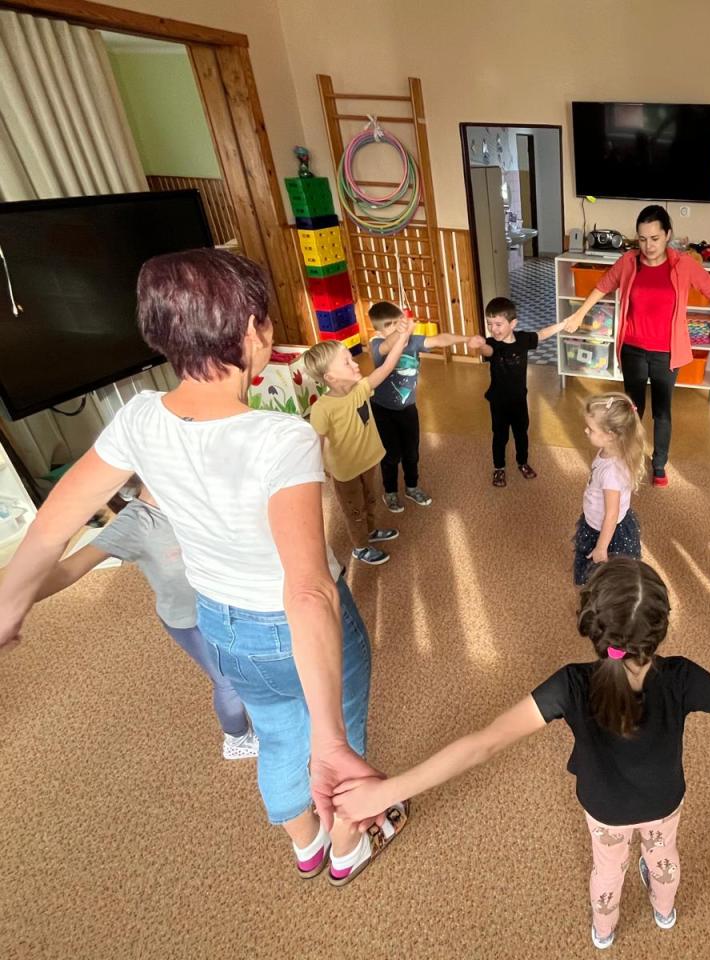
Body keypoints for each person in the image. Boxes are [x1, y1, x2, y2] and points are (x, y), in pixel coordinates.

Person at [0, 249, 406, 886]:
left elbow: (55, 519)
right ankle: (348, 848)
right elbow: (307, 591)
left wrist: (9, 599)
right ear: (251, 331)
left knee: (277, 735)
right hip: (290, 624)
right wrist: (330, 738)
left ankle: (306, 845)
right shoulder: (282, 439)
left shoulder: (138, 416)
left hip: (222, 624)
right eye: (265, 320)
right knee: (337, 744)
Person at [330, 558, 710, 950]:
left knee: (607, 870)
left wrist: (387, 791)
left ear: (591, 626)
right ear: (662, 629)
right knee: (664, 855)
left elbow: (481, 744)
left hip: (603, 809)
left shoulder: (569, 684)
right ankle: (664, 912)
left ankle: (603, 933)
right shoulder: (684, 678)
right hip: (664, 801)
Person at [33, 477, 258, 759]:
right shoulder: (136, 523)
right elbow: (67, 571)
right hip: (189, 621)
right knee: (227, 681)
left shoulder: (198, 495)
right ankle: (237, 739)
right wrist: (14, 599)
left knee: (250, 668)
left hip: (225, 608)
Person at [564, 205, 710, 487]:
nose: (648, 246)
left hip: (667, 352)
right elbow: (602, 286)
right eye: (642, 239)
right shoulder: (629, 261)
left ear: (667, 235)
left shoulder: (683, 265)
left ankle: (659, 464)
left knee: (662, 411)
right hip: (633, 348)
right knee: (632, 409)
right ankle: (628, 459)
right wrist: (579, 315)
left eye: (654, 238)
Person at [303, 329, 412, 567]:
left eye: (351, 359)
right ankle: (361, 547)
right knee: (355, 510)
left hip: (368, 462)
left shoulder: (361, 388)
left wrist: (403, 338)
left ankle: (370, 532)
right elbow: (316, 441)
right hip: (346, 471)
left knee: (369, 499)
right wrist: (315, 472)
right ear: (330, 377)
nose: (355, 364)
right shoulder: (323, 408)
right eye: (347, 362)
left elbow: (386, 368)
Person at [366, 300, 472, 512]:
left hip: (408, 409)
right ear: (379, 331)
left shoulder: (413, 341)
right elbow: (388, 345)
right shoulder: (377, 345)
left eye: (399, 322)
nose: (398, 328)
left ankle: (412, 487)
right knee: (391, 455)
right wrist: (402, 332)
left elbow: (440, 339)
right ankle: (390, 492)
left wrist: (467, 338)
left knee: (412, 452)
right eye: (391, 326)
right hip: (382, 410)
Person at [469, 296, 568, 487]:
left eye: (498, 324)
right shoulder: (492, 343)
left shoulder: (523, 339)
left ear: (513, 323)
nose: (493, 329)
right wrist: (479, 345)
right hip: (498, 402)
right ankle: (499, 468)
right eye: (490, 324)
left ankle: (522, 463)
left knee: (521, 434)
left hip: (519, 400)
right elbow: (487, 351)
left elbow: (542, 334)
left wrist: (563, 324)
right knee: (500, 436)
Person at [574, 393, 645, 586]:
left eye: (591, 429)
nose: (586, 431)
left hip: (606, 532)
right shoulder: (608, 450)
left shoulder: (612, 473)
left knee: (606, 578)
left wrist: (601, 547)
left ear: (611, 435)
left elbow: (611, 514)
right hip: (598, 521)